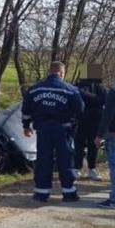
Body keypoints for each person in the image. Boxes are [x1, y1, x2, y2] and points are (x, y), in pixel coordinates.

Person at [21, 61, 85, 202]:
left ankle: (41, 193)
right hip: (63, 129)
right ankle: (69, 193)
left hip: (43, 129)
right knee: (65, 159)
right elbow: (80, 108)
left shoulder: (34, 89)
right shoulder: (70, 90)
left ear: (49, 72)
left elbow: (26, 110)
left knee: (44, 159)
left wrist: (26, 126)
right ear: (62, 73)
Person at [74, 78, 107, 181]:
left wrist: (86, 96)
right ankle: (76, 168)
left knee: (93, 146)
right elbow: (76, 98)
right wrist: (94, 99)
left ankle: (92, 168)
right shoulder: (78, 86)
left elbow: (104, 100)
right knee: (79, 145)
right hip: (80, 119)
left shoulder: (101, 87)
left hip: (96, 120)